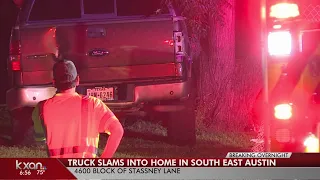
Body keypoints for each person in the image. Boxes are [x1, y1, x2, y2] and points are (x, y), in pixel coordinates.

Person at [32, 59, 124, 158]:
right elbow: (117, 130)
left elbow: (40, 140)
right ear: (78, 80)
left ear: (54, 83)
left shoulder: (40, 108)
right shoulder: (92, 104)